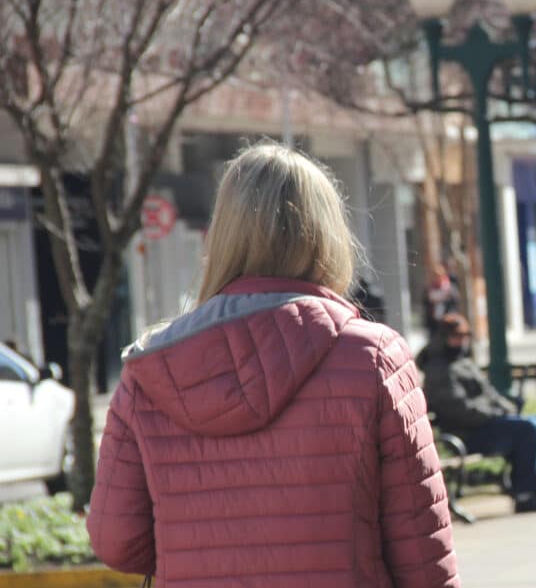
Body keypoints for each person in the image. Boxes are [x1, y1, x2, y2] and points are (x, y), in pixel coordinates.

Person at [86, 144, 459, 588]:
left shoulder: (151, 368)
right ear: (327, 234)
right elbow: (422, 554)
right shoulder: (375, 358)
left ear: (221, 235)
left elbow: (116, 542)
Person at [421, 313, 536, 513]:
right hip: (468, 432)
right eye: (456, 335)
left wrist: (506, 408)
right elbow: (459, 409)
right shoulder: (439, 369)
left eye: (465, 335)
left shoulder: (463, 362)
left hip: (489, 423)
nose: (461, 340)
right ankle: (524, 494)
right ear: (442, 338)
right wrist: (497, 414)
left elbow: (489, 393)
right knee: (528, 429)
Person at [423, 263, 460, 336]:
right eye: (435, 276)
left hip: (447, 322)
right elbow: (426, 303)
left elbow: (455, 302)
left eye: (438, 275)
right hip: (434, 322)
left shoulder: (450, 288)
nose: (437, 278)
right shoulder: (429, 289)